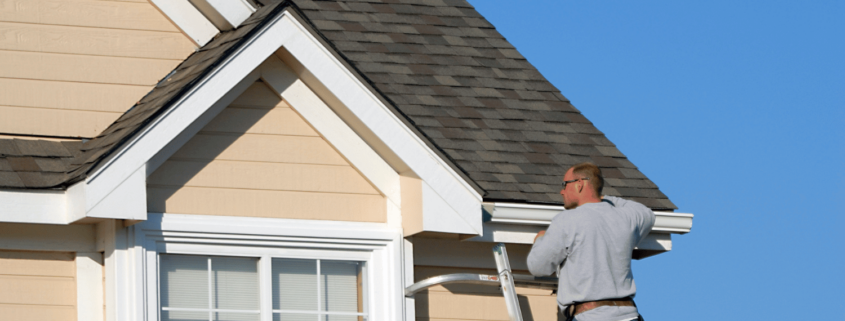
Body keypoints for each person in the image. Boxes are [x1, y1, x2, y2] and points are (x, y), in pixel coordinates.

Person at [527, 162, 655, 321]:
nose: (562, 191)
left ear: (579, 184)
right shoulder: (625, 217)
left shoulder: (567, 220)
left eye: (565, 184)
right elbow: (646, 213)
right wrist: (600, 197)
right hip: (628, 317)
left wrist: (540, 239)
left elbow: (538, 266)